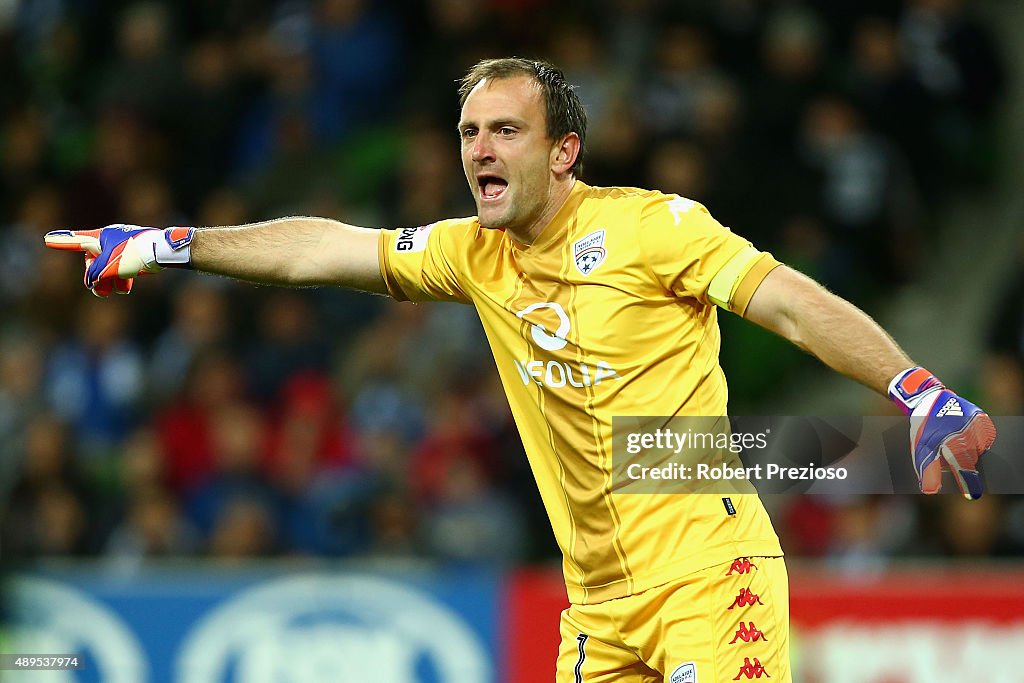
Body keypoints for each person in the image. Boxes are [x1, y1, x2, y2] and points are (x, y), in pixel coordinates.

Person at [45, 58, 995, 682]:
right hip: (597, 605)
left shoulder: (653, 227)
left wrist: (915, 390)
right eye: (468, 134)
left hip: (712, 574)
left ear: (564, 151)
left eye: (505, 131)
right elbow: (321, 248)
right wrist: (172, 244)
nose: (480, 151)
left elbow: (790, 299)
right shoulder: (470, 252)